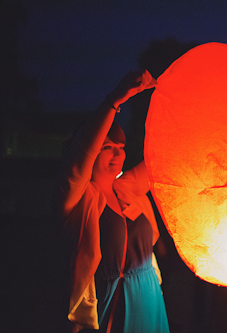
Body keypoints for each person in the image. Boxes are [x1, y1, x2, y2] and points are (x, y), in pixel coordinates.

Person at [55, 70, 170, 332]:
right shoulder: (77, 199)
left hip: (149, 298)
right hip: (109, 307)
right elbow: (83, 150)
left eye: (121, 147)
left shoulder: (127, 187)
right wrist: (114, 101)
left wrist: (179, 98)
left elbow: (165, 154)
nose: (118, 154)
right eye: (108, 147)